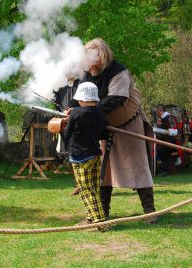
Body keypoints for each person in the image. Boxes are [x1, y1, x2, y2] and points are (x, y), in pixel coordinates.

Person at [81, 38, 157, 224]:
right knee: (104, 172)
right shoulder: (86, 74)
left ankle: (150, 212)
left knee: (138, 167)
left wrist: (89, 112)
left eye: (94, 58)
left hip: (129, 124)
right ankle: (102, 213)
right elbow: (81, 96)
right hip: (105, 127)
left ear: (103, 56)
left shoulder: (118, 72)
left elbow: (117, 98)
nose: (91, 63)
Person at [63, 82, 108, 226]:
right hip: (95, 155)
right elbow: (103, 134)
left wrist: (66, 121)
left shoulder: (76, 112)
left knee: (86, 190)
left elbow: (66, 134)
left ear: (81, 98)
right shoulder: (101, 113)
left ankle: (99, 221)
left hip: (80, 157)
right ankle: (90, 218)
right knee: (94, 189)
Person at [52, 75, 80, 195]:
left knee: (82, 154)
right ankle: (78, 185)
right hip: (65, 124)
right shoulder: (60, 85)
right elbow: (56, 103)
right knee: (70, 155)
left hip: (79, 122)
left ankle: (88, 184)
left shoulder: (81, 83)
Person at [153, 104, 179, 176]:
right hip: (163, 141)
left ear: (159, 111)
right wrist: (157, 126)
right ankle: (154, 168)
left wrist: (160, 130)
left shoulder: (170, 118)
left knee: (161, 149)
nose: (156, 112)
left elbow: (175, 132)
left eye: (156, 111)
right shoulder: (160, 119)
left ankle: (165, 170)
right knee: (153, 147)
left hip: (172, 142)